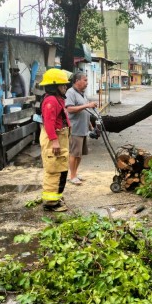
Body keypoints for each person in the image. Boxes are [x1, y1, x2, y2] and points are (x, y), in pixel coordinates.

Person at [39, 68, 71, 211]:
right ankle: (51, 203)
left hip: (60, 136)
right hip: (55, 138)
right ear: (54, 86)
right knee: (54, 169)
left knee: (61, 168)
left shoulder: (58, 99)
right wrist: (54, 141)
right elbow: (49, 123)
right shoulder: (51, 101)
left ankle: (56, 196)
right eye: (63, 85)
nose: (65, 88)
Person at [65, 72, 98, 185]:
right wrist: (87, 105)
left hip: (83, 128)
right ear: (77, 81)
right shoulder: (70, 92)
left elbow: (84, 111)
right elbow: (69, 109)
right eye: (85, 80)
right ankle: (72, 176)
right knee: (74, 153)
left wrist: (90, 124)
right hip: (75, 128)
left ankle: (75, 173)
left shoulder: (82, 94)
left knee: (80, 154)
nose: (87, 83)